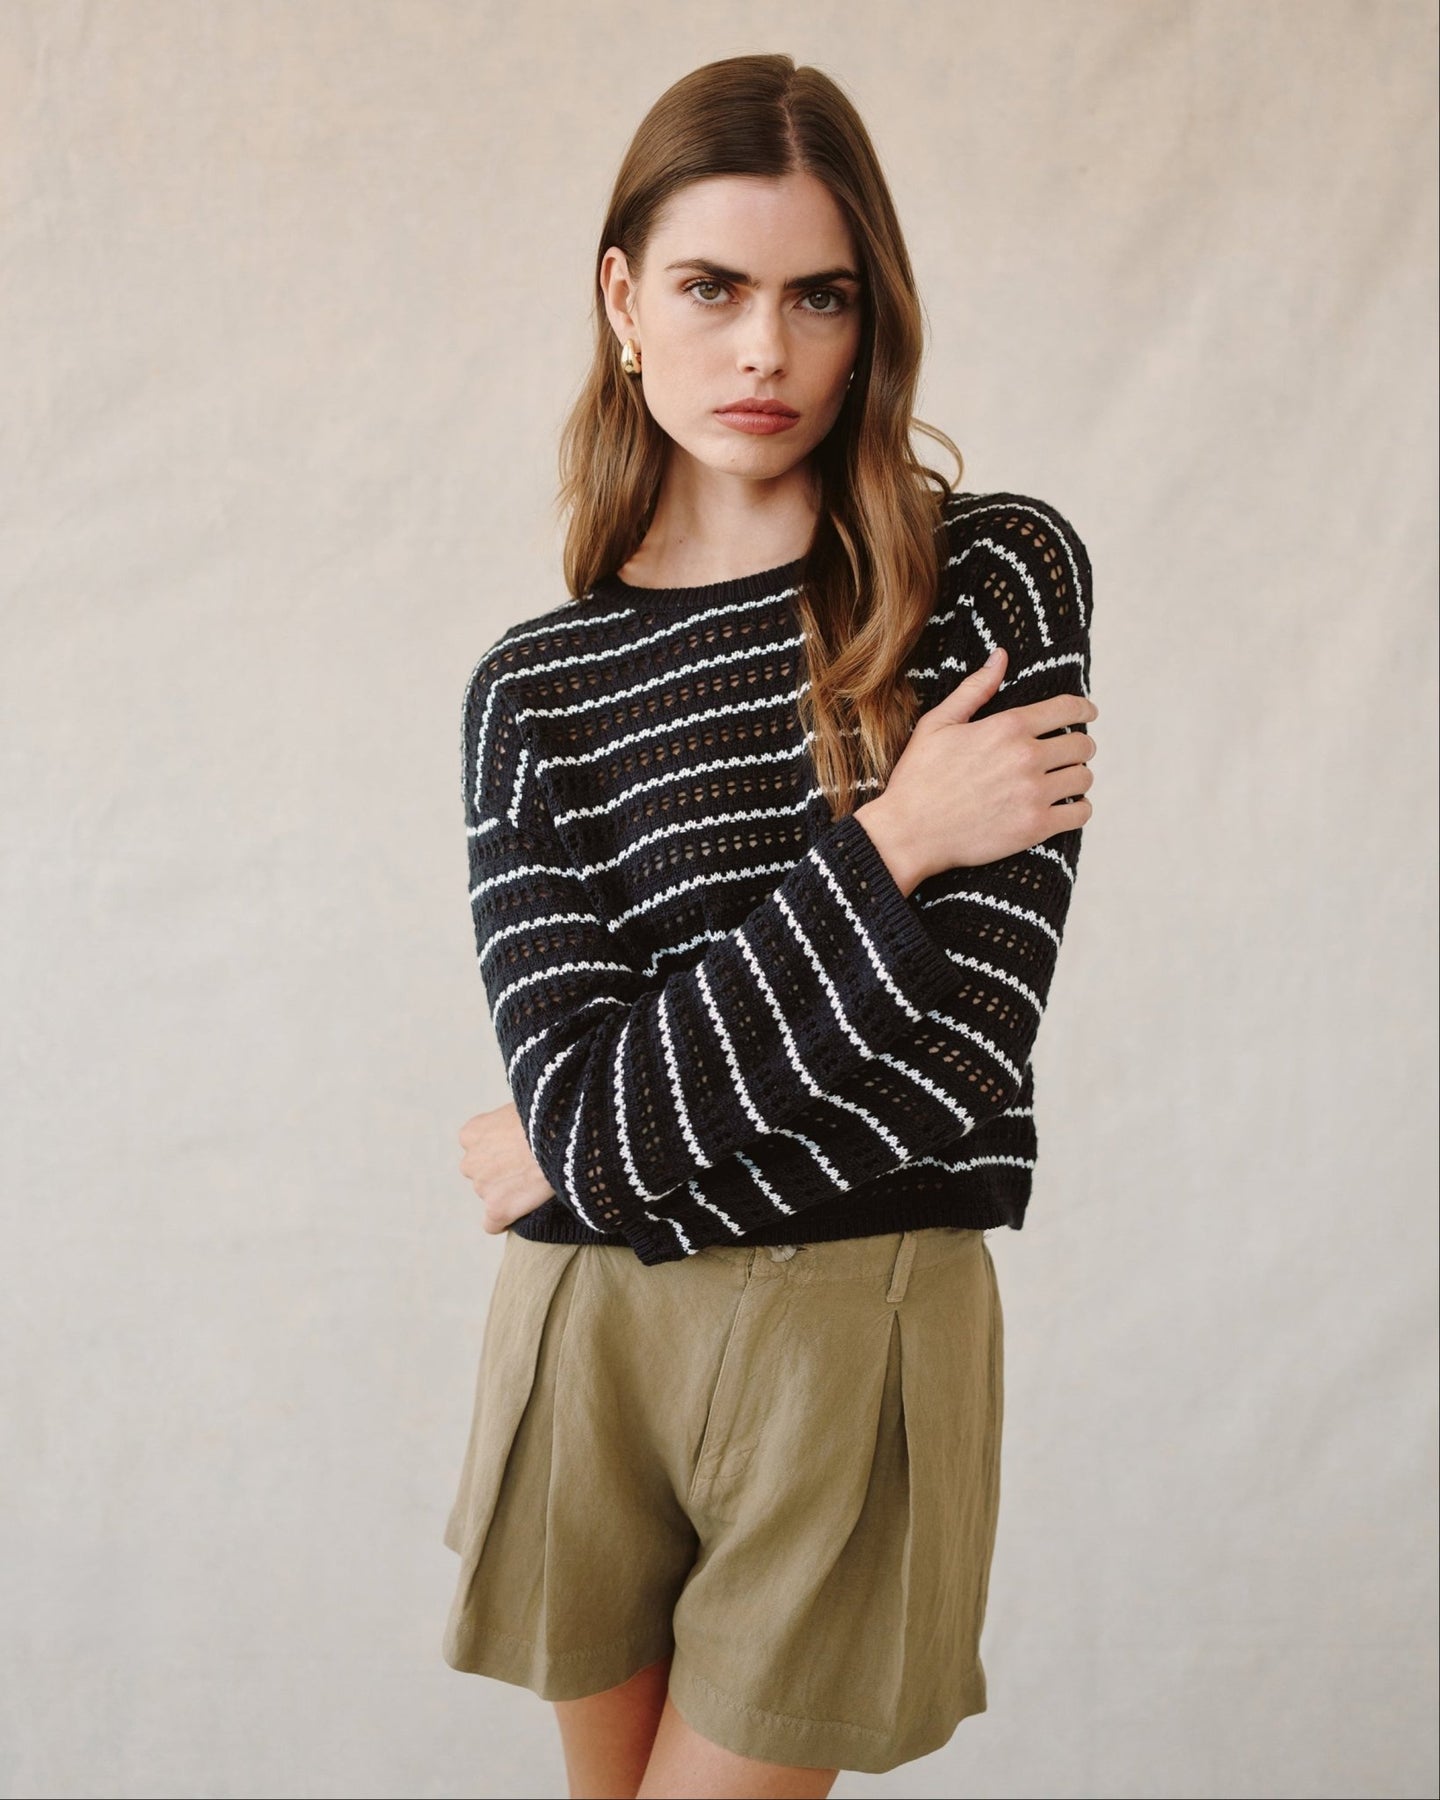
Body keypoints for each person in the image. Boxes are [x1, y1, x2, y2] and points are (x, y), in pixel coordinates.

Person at [440, 51, 1098, 1800]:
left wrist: (593, 1156)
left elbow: (951, 1076)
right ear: (622, 301)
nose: (765, 351)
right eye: (711, 288)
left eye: (820, 296)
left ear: (872, 316)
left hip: (852, 1324)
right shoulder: (537, 689)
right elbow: (590, 1113)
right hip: (593, 1333)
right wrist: (895, 845)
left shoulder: (988, 582)